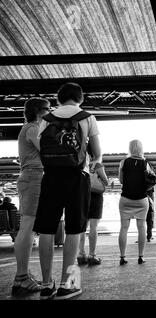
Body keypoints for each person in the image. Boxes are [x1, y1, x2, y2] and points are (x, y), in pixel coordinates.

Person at [33, 82, 102, 300]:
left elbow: (40, 147)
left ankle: (46, 285)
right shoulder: (87, 117)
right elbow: (98, 154)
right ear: (80, 98)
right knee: (74, 229)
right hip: (76, 176)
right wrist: (94, 162)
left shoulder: (46, 119)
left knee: (46, 229)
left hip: (51, 176)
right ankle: (67, 284)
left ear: (59, 99)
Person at [10, 98, 50, 296]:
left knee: (29, 226)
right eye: (47, 109)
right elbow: (47, 151)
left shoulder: (31, 128)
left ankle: (22, 275)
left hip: (33, 177)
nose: (50, 113)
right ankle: (21, 277)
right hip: (33, 177)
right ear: (38, 111)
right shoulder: (32, 128)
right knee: (28, 225)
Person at [118, 139, 151, 266]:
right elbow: (149, 181)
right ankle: (141, 257)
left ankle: (122, 257)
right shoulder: (145, 164)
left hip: (126, 199)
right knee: (142, 227)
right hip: (141, 200)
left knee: (124, 228)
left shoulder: (123, 162)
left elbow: (121, 181)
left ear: (130, 148)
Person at [77, 144, 108, 266]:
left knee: (82, 227)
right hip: (95, 198)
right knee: (93, 228)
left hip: (82, 197)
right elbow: (105, 181)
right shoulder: (97, 165)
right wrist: (104, 181)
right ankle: (92, 255)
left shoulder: (80, 164)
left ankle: (81, 254)